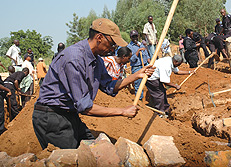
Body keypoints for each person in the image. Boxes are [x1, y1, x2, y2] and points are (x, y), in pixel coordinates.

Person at [32, 18, 155, 150]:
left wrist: (137, 75)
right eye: (112, 44)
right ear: (99, 37)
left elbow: (110, 86)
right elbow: (84, 107)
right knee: (71, 158)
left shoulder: (97, 60)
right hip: (51, 117)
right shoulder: (74, 58)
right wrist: (122, 111)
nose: (113, 48)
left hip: (69, 114)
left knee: (94, 149)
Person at [127, 30, 151, 100]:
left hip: (145, 65)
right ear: (131, 37)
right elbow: (131, 60)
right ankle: (139, 101)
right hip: (137, 67)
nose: (135, 38)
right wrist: (138, 51)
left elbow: (146, 55)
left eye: (136, 36)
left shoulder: (141, 44)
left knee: (151, 82)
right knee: (139, 86)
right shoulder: (129, 47)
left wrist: (150, 63)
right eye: (133, 37)